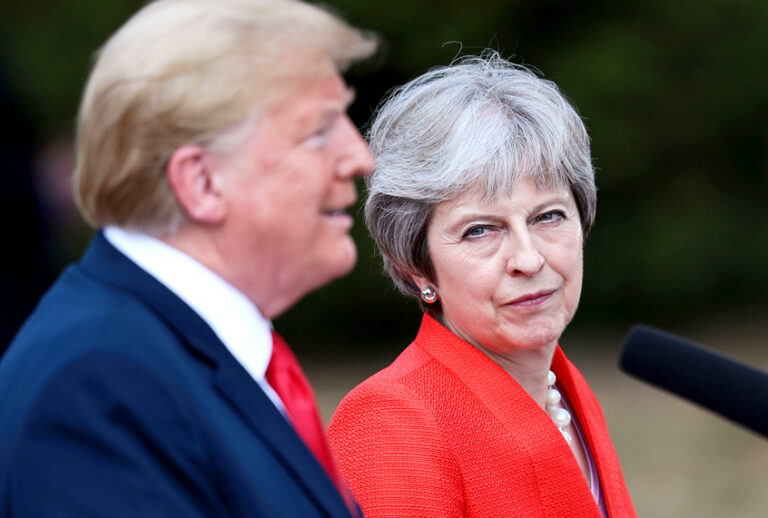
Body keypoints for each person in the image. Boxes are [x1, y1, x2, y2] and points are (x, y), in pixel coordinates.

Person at [0, 1, 376, 516]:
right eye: (318, 131)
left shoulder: (165, 349)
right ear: (201, 182)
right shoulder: (99, 387)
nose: (360, 157)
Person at [328, 52, 637, 518]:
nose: (528, 259)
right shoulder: (392, 422)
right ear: (416, 267)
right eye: (480, 230)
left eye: (548, 216)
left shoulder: (568, 391)